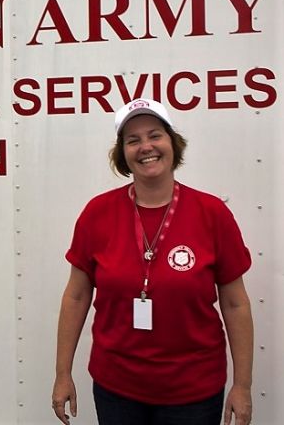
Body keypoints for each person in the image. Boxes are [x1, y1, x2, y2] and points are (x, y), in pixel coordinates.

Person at [51, 98, 254, 425]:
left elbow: (235, 304)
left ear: (172, 143)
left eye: (154, 135)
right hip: (117, 388)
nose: (146, 146)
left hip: (194, 392)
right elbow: (76, 297)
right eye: (133, 140)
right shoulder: (97, 214)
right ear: (123, 154)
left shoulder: (212, 213)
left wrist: (242, 386)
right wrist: (63, 374)